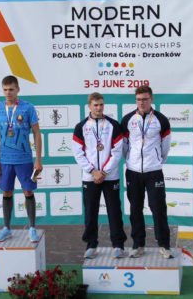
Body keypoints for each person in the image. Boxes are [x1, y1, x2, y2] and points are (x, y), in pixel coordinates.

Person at [72, 92, 127, 259]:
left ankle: (118, 245)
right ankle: (91, 245)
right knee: (90, 212)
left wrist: (104, 172)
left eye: (101, 105)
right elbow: (78, 153)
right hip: (90, 177)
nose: (99, 108)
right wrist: (92, 171)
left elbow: (117, 152)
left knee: (114, 211)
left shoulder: (113, 125)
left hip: (110, 177)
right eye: (95, 105)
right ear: (89, 106)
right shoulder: (81, 126)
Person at [121, 85, 173, 259]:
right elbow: (125, 146)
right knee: (135, 209)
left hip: (154, 171)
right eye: (138, 100)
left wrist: (157, 162)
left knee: (158, 209)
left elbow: (165, 147)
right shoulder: (128, 119)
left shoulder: (161, 120)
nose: (141, 103)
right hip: (133, 171)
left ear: (152, 99)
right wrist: (131, 161)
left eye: (144, 99)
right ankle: (138, 244)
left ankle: (164, 245)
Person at [0, 75, 43, 243]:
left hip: (25, 160)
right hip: (5, 160)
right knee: (6, 192)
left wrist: (38, 160)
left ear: (18, 89)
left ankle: (33, 228)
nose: (8, 93)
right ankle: (6, 228)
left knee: (28, 191)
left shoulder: (28, 108)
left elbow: (36, 133)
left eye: (11, 89)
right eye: (5, 90)